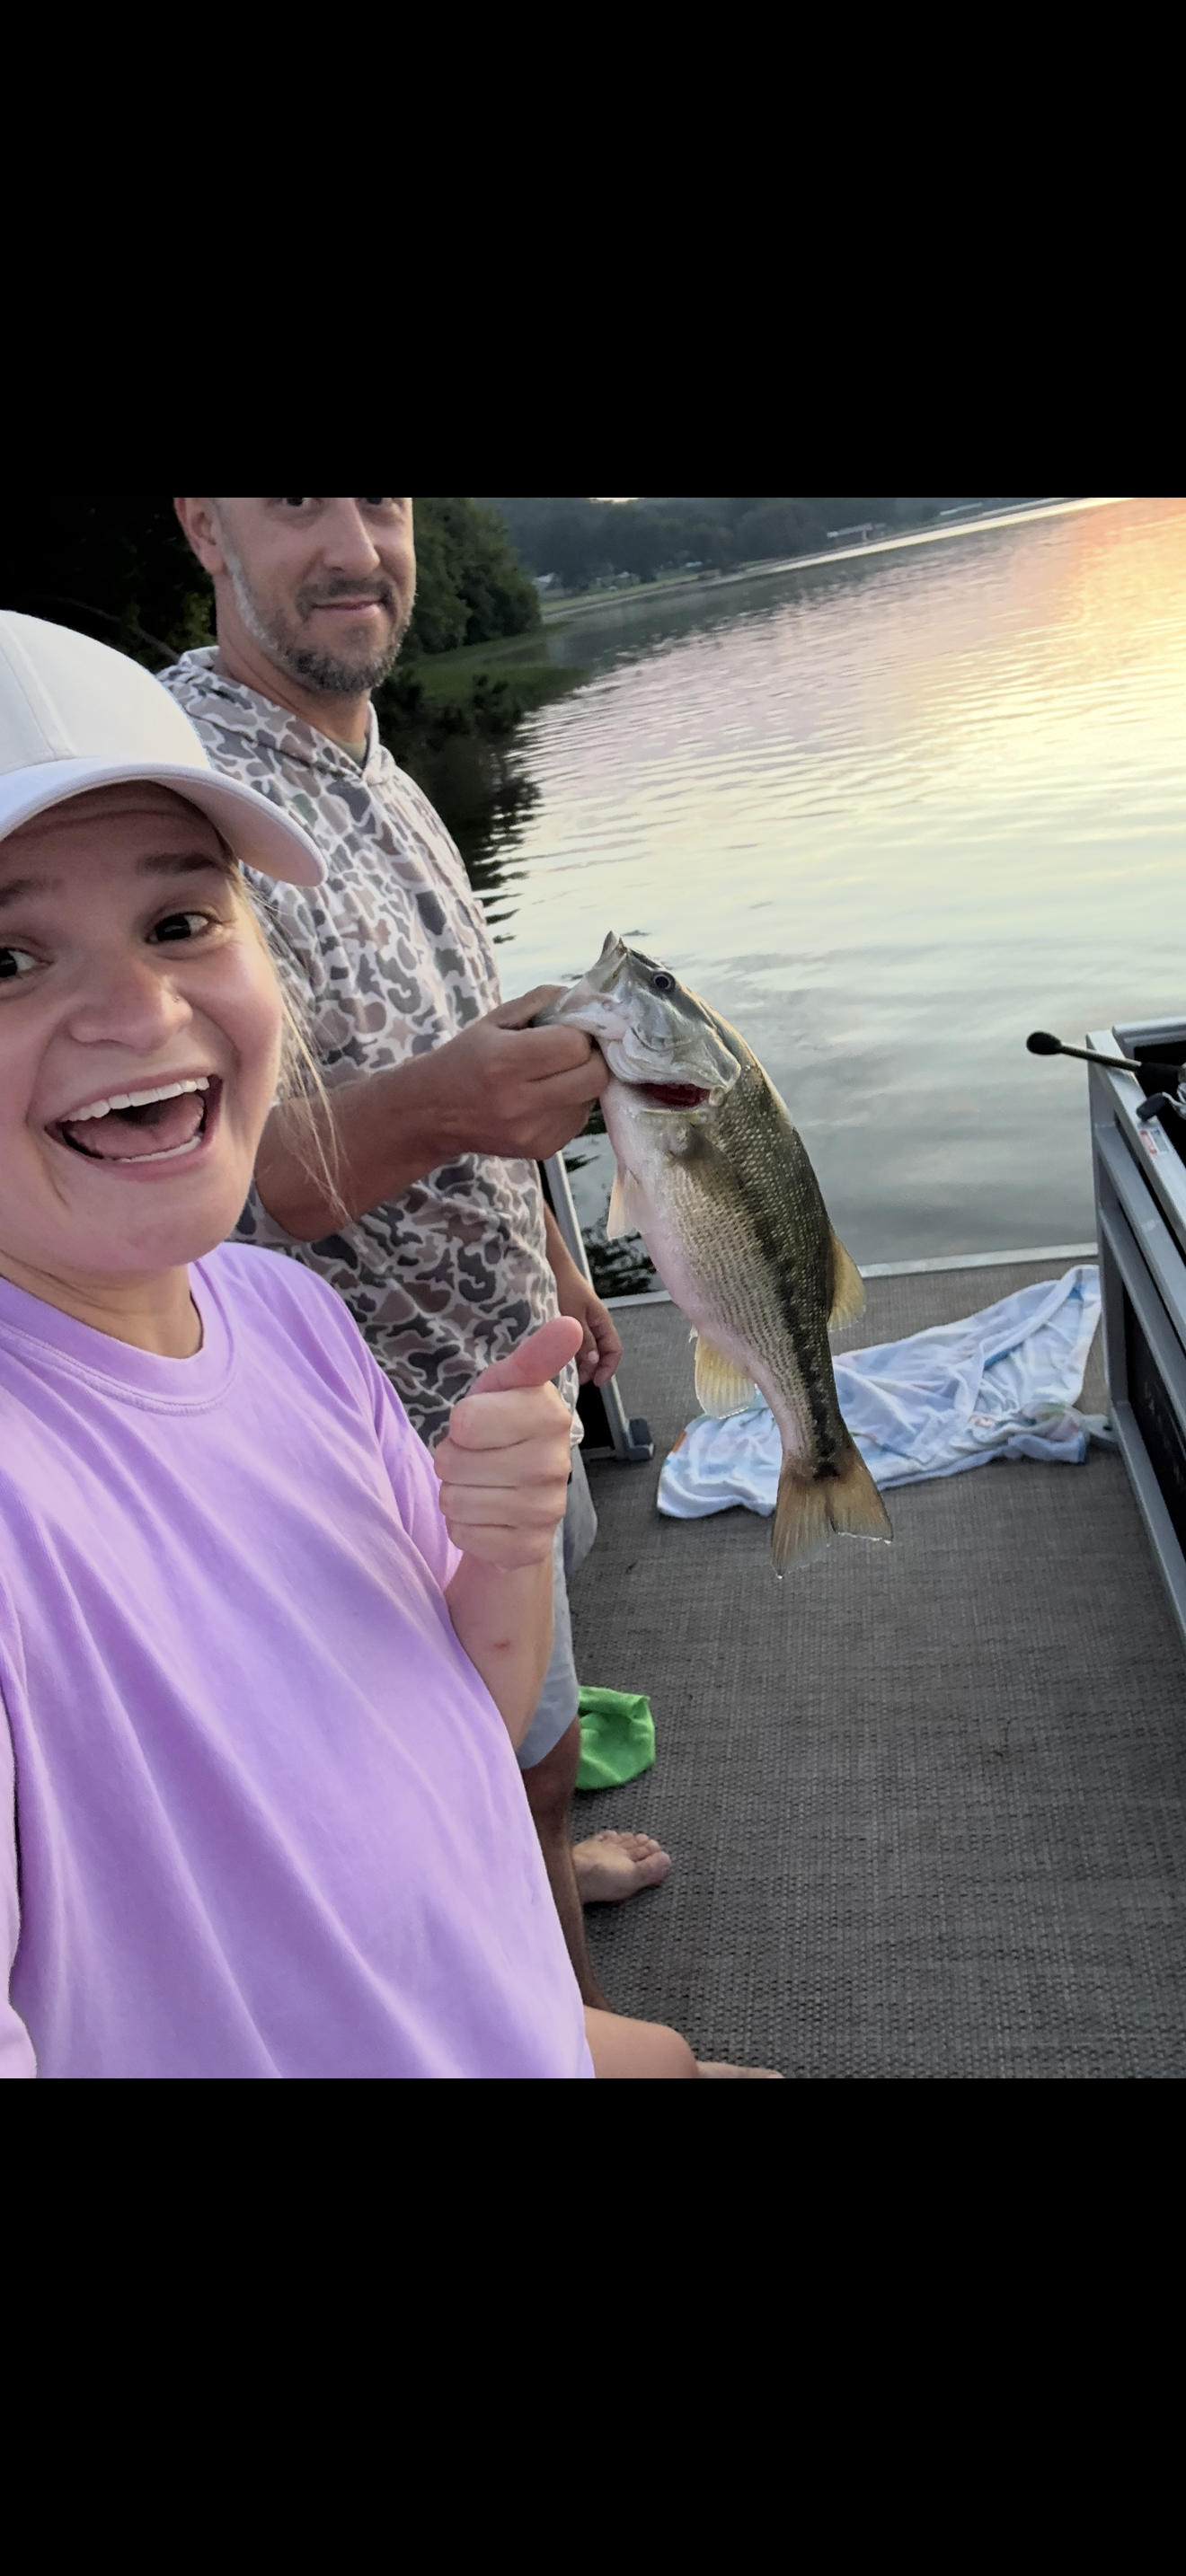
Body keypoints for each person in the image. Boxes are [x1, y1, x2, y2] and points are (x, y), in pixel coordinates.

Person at [0, 610, 765, 2078]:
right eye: (6, 956)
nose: (137, 1008)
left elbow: (447, 1728)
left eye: (179, 922)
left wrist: (487, 1548)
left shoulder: (284, 1318)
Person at [163, 498, 670, 2010]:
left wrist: (564, 1265)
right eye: (293, 499)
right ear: (205, 524)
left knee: (533, 1722)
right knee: (478, 1754)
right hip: (365, 1432)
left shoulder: (378, 759)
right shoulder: (188, 789)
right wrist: (453, 1102)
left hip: (506, 1363)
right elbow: (214, 1177)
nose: (352, 544)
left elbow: (467, 1016)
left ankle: (537, 1856)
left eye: (378, 499)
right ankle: (559, 2022)